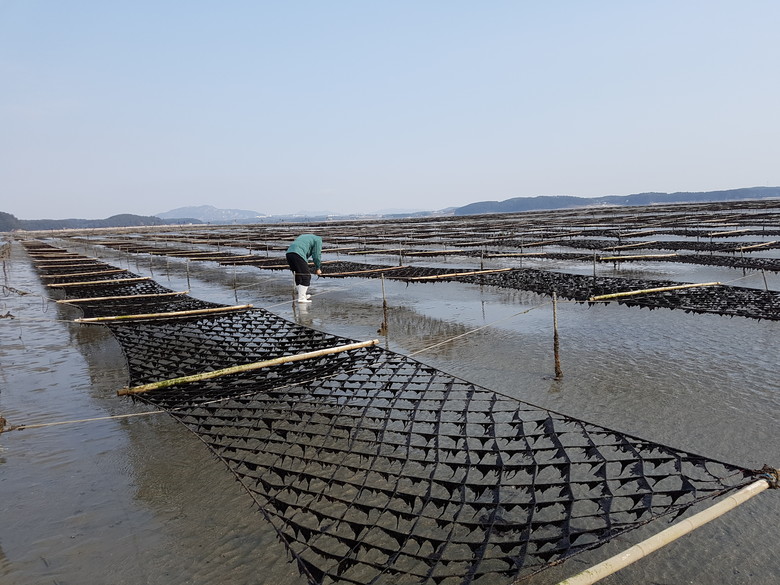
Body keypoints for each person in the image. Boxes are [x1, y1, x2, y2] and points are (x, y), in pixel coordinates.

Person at [285, 233, 322, 303]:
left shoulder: (305, 236)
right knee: (306, 276)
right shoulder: (318, 239)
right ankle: (301, 298)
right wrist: (318, 268)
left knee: (298, 275)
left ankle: (302, 295)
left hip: (289, 253)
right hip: (298, 254)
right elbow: (316, 255)